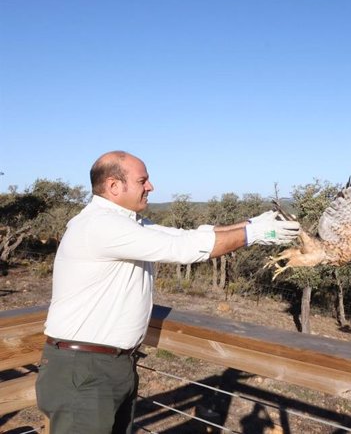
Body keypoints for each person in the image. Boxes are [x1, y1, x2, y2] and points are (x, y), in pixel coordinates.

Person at [35, 150, 300, 434]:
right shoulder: (101, 225)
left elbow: (182, 235)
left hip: (108, 366)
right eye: (143, 181)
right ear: (114, 186)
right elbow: (183, 249)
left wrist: (250, 224)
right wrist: (256, 235)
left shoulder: (126, 223)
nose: (151, 187)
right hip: (85, 371)